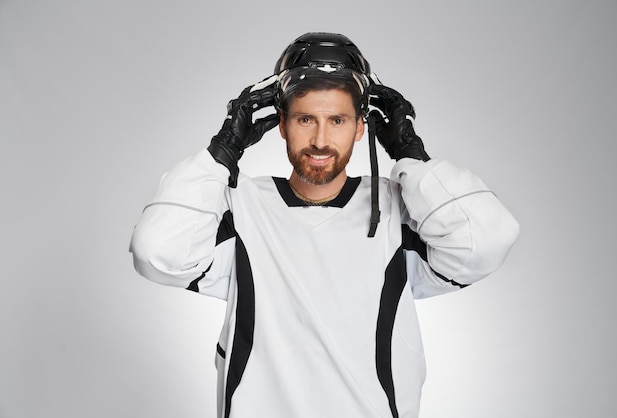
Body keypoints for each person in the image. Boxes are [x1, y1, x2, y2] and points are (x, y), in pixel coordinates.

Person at [129, 32, 519, 418]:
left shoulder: (400, 212)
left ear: (360, 127)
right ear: (281, 124)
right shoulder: (242, 210)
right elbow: (157, 253)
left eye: (337, 120)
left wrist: (410, 154)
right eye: (305, 119)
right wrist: (222, 151)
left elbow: (485, 241)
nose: (320, 139)